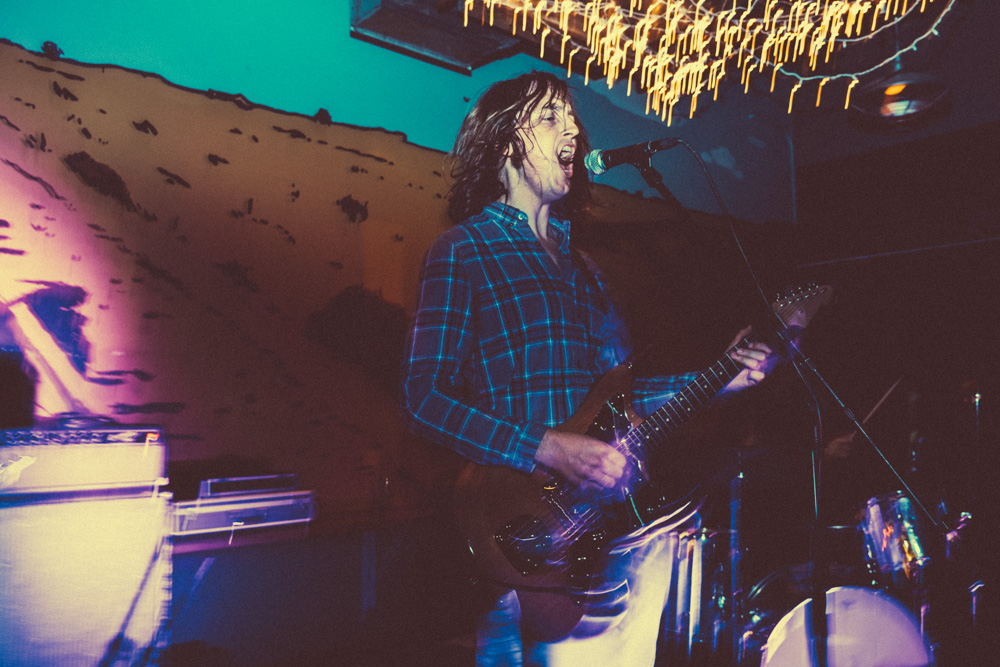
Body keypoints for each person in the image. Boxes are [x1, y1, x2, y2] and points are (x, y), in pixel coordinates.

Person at [399, 71, 771, 666]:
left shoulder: (587, 270)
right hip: (517, 533)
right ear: (503, 146)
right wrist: (548, 448)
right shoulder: (464, 251)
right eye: (550, 117)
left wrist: (721, 377)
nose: (572, 128)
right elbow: (423, 399)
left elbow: (621, 395)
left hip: (601, 545)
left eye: (572, 118)